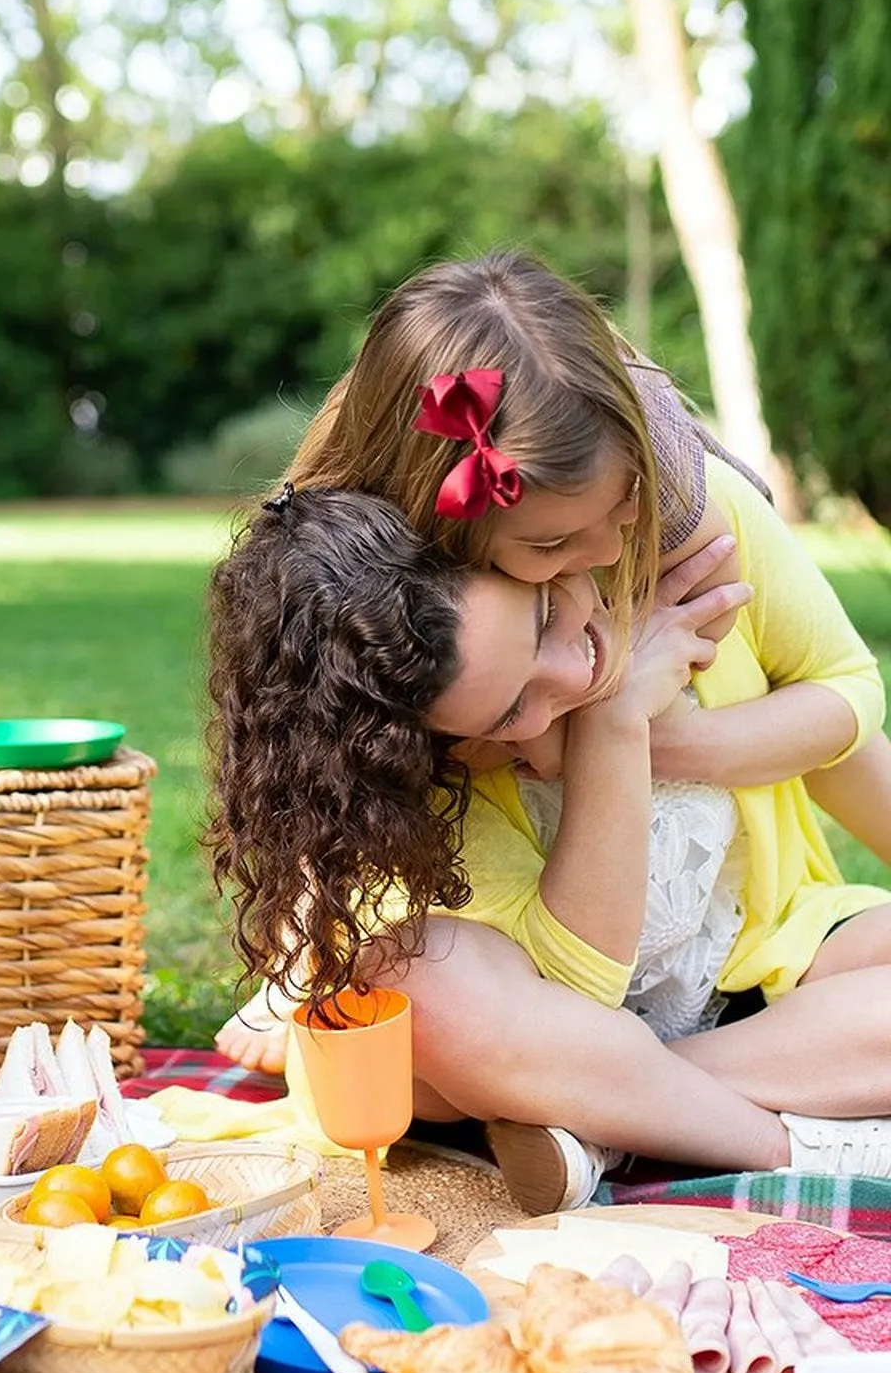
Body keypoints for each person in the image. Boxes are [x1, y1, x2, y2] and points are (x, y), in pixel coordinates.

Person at [213, 249, 891, 1082]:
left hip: (756, 942)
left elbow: (849, 694)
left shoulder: (693, 525)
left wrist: (659, 738)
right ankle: (656, 1090)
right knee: (423, 1023)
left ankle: (646, 1098)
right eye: (550, 547)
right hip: (541, 982)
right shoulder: (415, 644)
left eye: (624, 504)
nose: (606, 550)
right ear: (445, 531)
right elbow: (331, 788)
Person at [189, 475, 891, 1214]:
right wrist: (611, 724)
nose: (573, 670)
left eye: (546, 613)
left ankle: (605, 1128)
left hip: (759, 977)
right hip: (540, 1033)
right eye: (511, 707)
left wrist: (668, 736)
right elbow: (579, 995)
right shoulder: (426, 755)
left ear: (523, 551)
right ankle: (785, 1142)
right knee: (418, 982)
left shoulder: (683, 544)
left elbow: (846, 712)